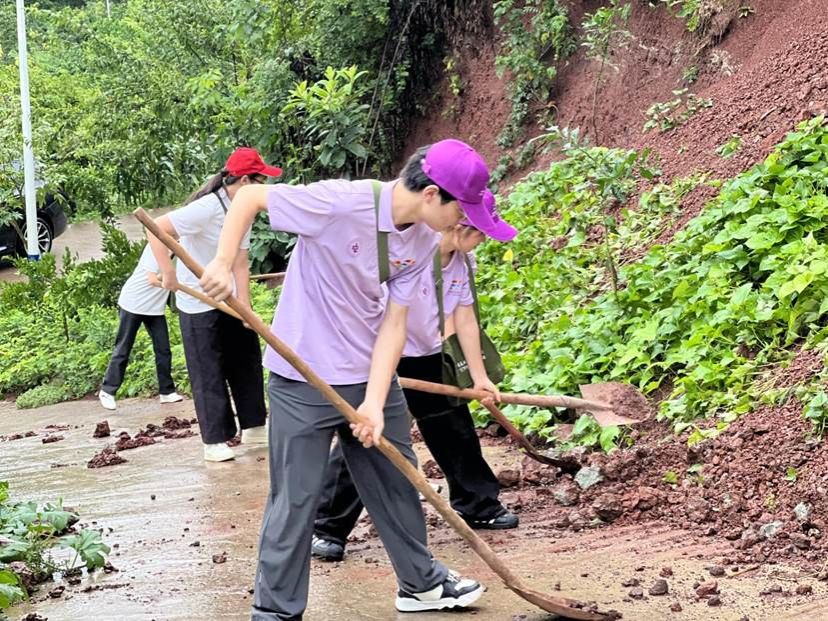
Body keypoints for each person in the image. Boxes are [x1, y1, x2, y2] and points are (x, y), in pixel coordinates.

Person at [200, 140, 501, 618]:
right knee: (295, 500)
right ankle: (276, 611)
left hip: (367, 373)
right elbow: (251, 199)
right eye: (460, 210)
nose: (463, 222)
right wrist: (221, 261)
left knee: (398, 479)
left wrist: (376, 402)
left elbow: (394, 325)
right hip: (304, 375)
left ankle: (420, 586)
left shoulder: (422, 238)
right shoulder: (342, 202)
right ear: (430, 195)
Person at [312, 191, 519, 562]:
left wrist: (478, 377)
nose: (483, 241)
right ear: (458, 227)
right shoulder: (410, 255)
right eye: (480, 233)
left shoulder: (462, 263)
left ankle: (477, 503)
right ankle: (327, 526)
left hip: (428, 355)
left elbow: (466, 320)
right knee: (368, 438)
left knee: (454, 427)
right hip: (383, 358)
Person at [147, 147, 280, 462]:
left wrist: (245, 308)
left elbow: (241, 262)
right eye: (262, 181)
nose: (266, 189)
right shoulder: (207, 208)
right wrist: (168, 274)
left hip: (229, 296)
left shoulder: (243, 210)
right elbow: (157, 229)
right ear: (246, 180)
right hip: (198, 300)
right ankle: (215, 440)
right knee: (208, 371)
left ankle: (254, 427)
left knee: (245, 360)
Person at [98, 245, 183, 410]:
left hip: (155, 308)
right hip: (133, 303)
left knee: (163, 349)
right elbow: (152, 279)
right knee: (123, 348)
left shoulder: (179, 252)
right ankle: (107, 391)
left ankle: (167, 392)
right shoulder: (155, 248)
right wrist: (172, 284)